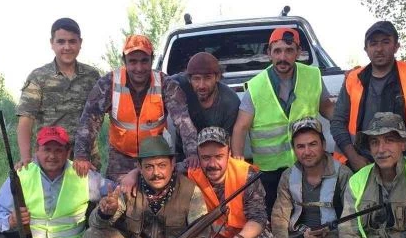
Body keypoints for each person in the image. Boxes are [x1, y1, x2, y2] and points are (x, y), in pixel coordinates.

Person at [81, 136, 209, 238]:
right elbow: (95, 224)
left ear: (173, 164)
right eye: (149, 167)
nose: (156, 173)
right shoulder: (128, 189)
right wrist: (105, 213)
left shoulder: (190, 191)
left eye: (162, 165)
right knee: (92, 236)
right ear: (139, 167)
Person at [231, 28, 335, 215]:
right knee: (275, 215)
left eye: (288, 50)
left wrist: (348, 132)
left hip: (306, 162)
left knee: (311, 214)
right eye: (277, 51)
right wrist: (239, 169)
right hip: (270, 172)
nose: (283, 57)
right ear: (269, 53)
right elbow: (240, 128)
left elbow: (327, 108)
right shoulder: (256, 86)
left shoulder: (313, 76)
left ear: (298, 52)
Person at [73, 35, 200, 182]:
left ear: (152, 60)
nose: (139, 68)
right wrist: (82, 155)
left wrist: (192, 153)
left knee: (156, 200)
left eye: (144, 61)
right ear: (124, 61)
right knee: (117, 199)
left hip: (155, 156)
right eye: (133, 61)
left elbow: (183, 121)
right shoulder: (108, 83)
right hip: (121, 158)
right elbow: (89, 119)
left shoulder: (166, 84)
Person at [330, 21, 406, 170]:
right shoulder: (353, 78)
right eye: (373, 43)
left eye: (385, 42)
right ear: (366, 49)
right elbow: (338, 121)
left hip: (401, 162)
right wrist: (354, 158)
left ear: (396, 46)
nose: (379, 49)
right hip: (361, 161)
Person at [187, 127, 274, 238]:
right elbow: (160, 167)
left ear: (229, 154)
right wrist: (135, 172)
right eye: (205, 157)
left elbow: (259, 218)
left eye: (219, 157)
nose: (212, 164)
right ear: (198, 156)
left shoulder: (246, 174)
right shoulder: (190, 172)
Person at [15, 18, 100, 168]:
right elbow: (26, 120)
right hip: (50, 158)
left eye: (72, 41)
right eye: (61, 41)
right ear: (52, 43)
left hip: (85, 160)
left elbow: (103, 114)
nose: (67, 47)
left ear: (80, 43)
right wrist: (25, 158)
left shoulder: (92, 76)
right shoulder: (39, 77)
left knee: (90, 192)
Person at [169, 52, 241, 149]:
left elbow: (227, 145)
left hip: (214, 155)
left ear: (218, 77)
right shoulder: (179, 84)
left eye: (207, 78)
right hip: (184, 154)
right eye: (196, 79)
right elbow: (156, 81)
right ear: (189, 79)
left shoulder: (230, 102)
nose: (201, 85)